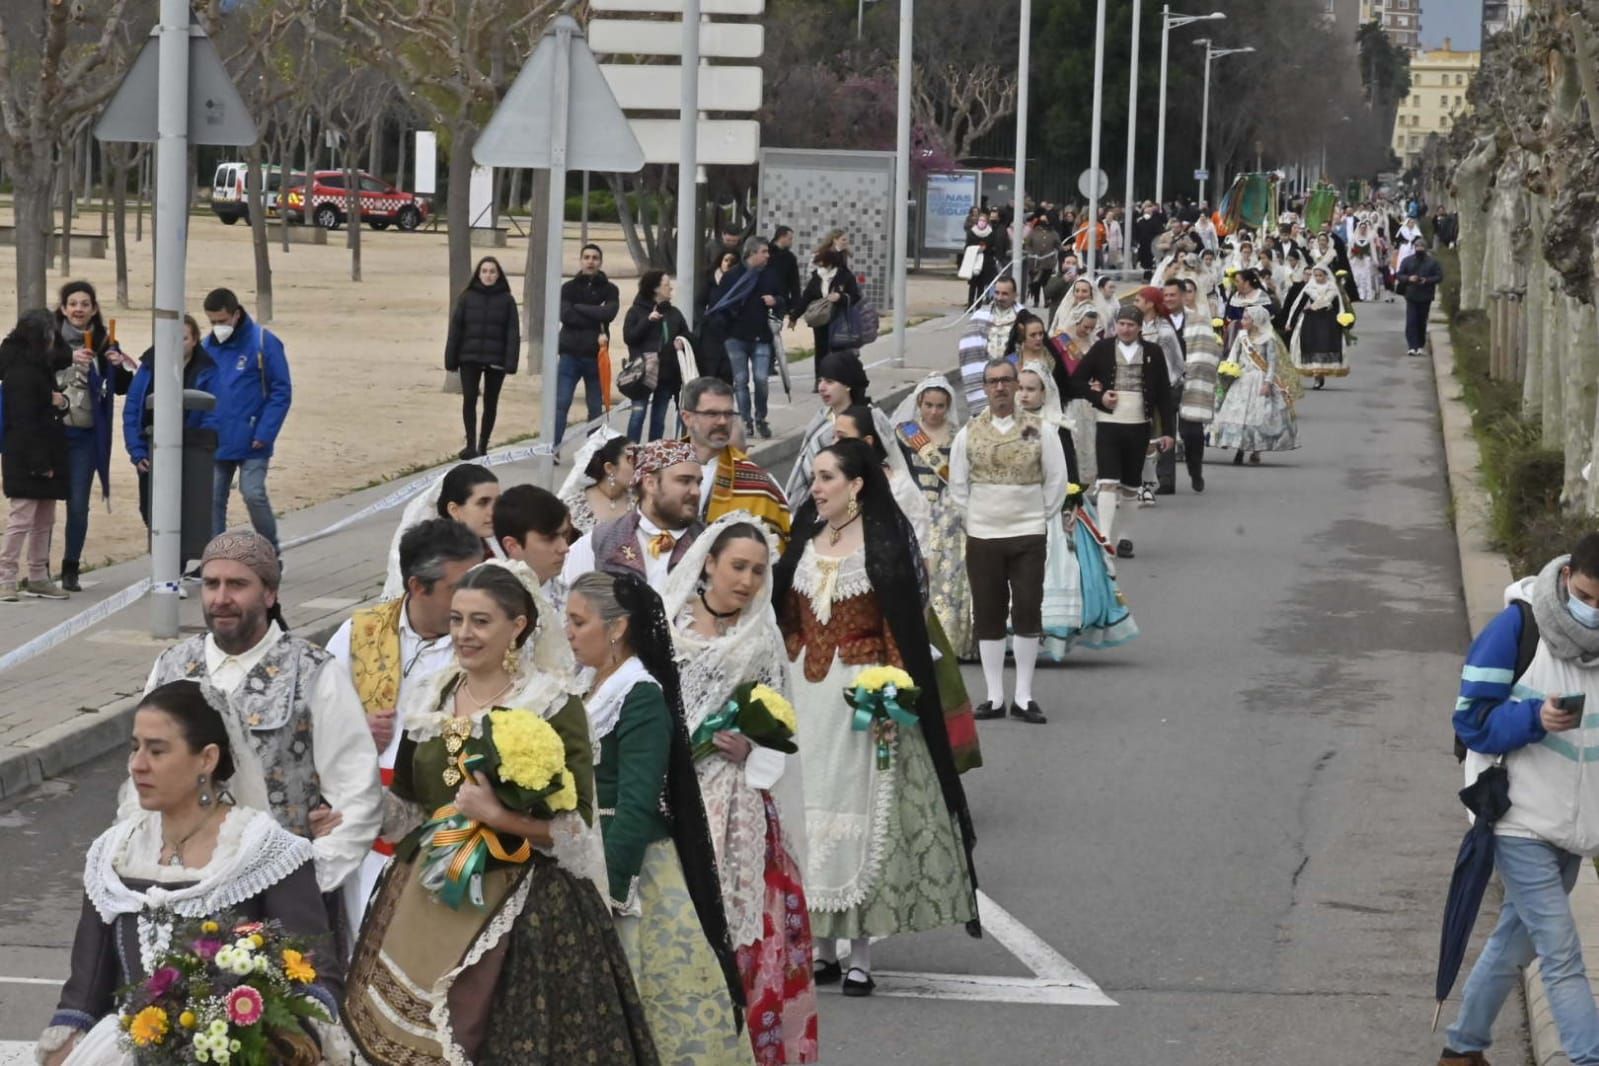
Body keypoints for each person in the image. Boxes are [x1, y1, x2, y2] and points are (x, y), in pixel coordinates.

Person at [345, 561, 656, 1065]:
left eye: (481, 621)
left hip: (524, 902)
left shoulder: (552, 704)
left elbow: (576, 828)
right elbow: (405, 807)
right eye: (457, 620)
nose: (464, 634)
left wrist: (499, 816)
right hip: (428, 892)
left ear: (518, 626)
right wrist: (351, 802)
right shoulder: (434, 694)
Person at [37, 680, 343, 1066]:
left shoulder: (266, 854)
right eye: (135, 748)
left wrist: (264, 1039)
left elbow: (313, 977)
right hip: (120, 1051)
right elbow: (86, 989)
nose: (138, 765)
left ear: (207, 759)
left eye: (157, 750)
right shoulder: (114, 854)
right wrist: (63, 1047)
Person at [774, 439, 980, 997]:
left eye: (825, 478)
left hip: (860, 697)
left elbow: (900, 626)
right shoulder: (804, 531)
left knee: (860, 814)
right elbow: (786, 614)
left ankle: (860, 953)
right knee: (806, 812)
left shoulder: (885, 541)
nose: (814, 488)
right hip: (804, 698)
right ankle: (820, 948)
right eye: (814, 478)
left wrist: (891, 694)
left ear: (856, 484)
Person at [140, 530, 382, 942]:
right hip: (180, 897)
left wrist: (306, 881)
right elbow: (142, 782)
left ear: (269, 594)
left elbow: (357, 798)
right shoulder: (172, 667)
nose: (220, 598)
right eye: (212, 584)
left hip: (280, 912)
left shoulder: (313, 671)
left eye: (237, 585)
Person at [566, 569, 749, 1063]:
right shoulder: (586, 686)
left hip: (632, 867)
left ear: (618, 628)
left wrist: (608, 889)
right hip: (582, 852)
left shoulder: (639, 695)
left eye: (579, 621)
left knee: (654, 1006)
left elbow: (637, 801)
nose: (569, 632)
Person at [664, 516, 820, 1064]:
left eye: (758, 570)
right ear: (708, 563)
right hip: (674, 799)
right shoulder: (665, 626)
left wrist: (751, 751)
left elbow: (782, 728)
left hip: (739, 807)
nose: (748, 580)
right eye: (738, 566)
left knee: (750, 943)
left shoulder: (760, 640)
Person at [1440, 535, 1599, 1066]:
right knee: (1560, 952)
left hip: (1574, 822)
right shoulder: (1518, 627)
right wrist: (1534, 720)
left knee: (1515, 942)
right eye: (1587, 595)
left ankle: (1462, 1050)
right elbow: (1470, 722)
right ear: (1567, 577)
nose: (1594, 610)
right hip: (1516, 819)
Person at [323, 518, 482, 934]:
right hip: (365, 824)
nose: (472, 600)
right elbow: (312, 725)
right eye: (457, 589)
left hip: (449, 822)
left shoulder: (485, 641)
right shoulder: (357, 634)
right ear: (417, 586)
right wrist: (354, 730)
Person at [950, 359, 1068, 724]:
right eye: (992, 382)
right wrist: (977, 519)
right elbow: (958, 485)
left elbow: (1055, 478)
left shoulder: (1036, 429)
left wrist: (1036, 515)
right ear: (984, 388)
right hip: (984, 535)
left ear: (1017, 386)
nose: (1000, 387)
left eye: (1006, 381)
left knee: (1028, 607)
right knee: (988, 611)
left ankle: (1024, 694)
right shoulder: (968, 433)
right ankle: (994, 695)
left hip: (1028, 534)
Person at [1015, 361, 1138, 660]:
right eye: (1020, 388)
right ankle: (1016, 635)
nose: (1024, 395)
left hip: (1054, 509)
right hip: (1017, 508)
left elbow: (1068, 474)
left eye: (1031, 389)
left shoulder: (1056, 425)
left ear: (1046, 392)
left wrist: (1071, 505)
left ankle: (1051, 633)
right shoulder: (1006, 423)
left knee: (1058, 570)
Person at [1071, 306, 1176, 559]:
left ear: (1140, 327)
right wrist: (1099, 397)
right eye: (1122, 324)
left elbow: (1163, 393)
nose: (1126, 329)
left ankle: (1125, 537)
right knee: (1107, 481)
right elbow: (1075, 381)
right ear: (1115, 325)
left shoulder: (1153, 352)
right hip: (1108, 424)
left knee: (1131, 485)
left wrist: (1169, 432)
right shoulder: (1102, 349)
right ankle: (1105, 537)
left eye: (1131, 325)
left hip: (1139, 426)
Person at [54, 280, 138, 591]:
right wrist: (66, 359)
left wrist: (118, 366)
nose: (78, 309)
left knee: (77, 503)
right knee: (44, 502)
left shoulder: (104, 342)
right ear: (63, 309)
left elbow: (122, 388)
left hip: (86, 435)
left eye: (84, 304)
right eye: (72, 303)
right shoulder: (48, 339)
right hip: (51, 433)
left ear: (94, 309)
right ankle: (37, 570)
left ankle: (70, 567)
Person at [202, 288, 290, 555]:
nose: (218, 327)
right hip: (217, 438)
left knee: (252, 493)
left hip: (254, 437)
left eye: (222, 320)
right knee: (213, 497)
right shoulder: (206, 347)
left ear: (236, 314)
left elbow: (281, 390)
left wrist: (265, 432)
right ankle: (215, 554)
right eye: (213, 322)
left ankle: (270, 551)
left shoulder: (263, 342)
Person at [894, 377, 975, 660]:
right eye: (928, 405)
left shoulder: (959, 436)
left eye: (940, 406)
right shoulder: (905, 435)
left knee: (950, 576)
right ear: (919, 404)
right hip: (913, 510)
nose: (934, 412)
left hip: (948, 515)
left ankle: (951, 641)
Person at [564, 439, 705, 592]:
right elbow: (568, 603)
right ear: (650, 484)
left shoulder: (711, 544)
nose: (696, 492)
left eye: (698, 483)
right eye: (684, 481)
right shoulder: (598, 542)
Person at [0, 310, 72, 601]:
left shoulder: (41, 367)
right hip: (28, 456)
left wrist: (61, 401)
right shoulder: (21, 373)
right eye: (51, 334)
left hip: (47, 451)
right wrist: (40, 464)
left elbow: (53, 403)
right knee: (21, 518)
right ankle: (6, 577)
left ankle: (39, 575)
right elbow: (25, 422)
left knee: (45, 519)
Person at [124, 314, 216, 531]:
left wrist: (201, 447)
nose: (176, 344)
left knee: (186, 510)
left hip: (192, 450)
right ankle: (164, 558)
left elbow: (213, 412)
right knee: (150, 509)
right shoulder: (148, 367)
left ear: (195, 340)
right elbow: (132, 410)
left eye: (183, 338)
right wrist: (137, 452)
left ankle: (179, 561)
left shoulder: (208, 370)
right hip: (151, 448)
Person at [681, 376, 790, 546]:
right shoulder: (660, 470)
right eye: (712, 413)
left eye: (728, 413)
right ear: (687, 417)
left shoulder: (757, 485)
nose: (722, 421)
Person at [379, 462, 504, 600]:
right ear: (454, 510)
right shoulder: (434, 561)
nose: (493, 512)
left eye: (497, 502)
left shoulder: (491, 547)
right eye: (482, 503)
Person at [706, 236, 787, 441]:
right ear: (752, 253)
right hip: (735, 337)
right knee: (740, 381)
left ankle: (761, 417)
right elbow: (719, 303)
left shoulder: (771, 275)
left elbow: (783, 299)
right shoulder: (733, 276)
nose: (768, 255)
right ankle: (746, 421)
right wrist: (724, 330)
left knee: (761, 379)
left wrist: (774, 300)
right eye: (764, 252)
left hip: (761, 337)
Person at [445, 255, 519, 460]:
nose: (488, 275)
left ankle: (483, 445)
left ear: (498, 275)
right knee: (469, 399)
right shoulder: (467, 298)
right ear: (478, 274)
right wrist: (450, 359)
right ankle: (470, 444)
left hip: (496, 359)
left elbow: (513, 333)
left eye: (492, 271)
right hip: (469, 358)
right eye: (484, 271)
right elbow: (456, 330)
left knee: (490, 402)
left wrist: (510, 362)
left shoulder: (507, 300)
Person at [1211, 304, 1299, 464]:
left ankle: (1256, 449)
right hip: (1241, 378)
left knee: (1258, 416)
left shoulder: (1268, 339)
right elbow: (1233, 355)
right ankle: (1239, 447)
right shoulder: (1241, 336)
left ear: (1256, 320)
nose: (1243, 321)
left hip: (1259, 379)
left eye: (1246, 318)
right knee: (1238, 414)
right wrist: (1227, 369)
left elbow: (1272, 364)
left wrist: (1267, 383)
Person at [555, 243, 621, 451]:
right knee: (561, 403)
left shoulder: (610, 289)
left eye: (594, 258)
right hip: (570, 355)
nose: (590, 261)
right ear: (581, 260)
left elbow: (609, 313)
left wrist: (579, 308)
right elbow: (566, 315)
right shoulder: (568, 288)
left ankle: (591, 450)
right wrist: (595, 312)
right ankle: (554, 447)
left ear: (600, 262)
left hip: (596, 355)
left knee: (595, 406)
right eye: (587, 257)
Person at [783, 351, 867, 510]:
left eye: (829, 381)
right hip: (805, 501)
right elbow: (803, 462)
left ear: (847, 384)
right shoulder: (821, 417)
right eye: (820, 380)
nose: (821, 387)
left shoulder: (863, 420)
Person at [621, 270, 692, 443]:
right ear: (655, 289)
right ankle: (632, 452)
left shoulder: (674, 313)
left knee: (659, 419)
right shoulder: (636, 311)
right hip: (643, 374)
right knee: (638, 415)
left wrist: (682, 341)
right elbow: (629, 337)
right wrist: (648, 320)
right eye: (667, 285)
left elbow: (686, 334)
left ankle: (653, 453)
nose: (671, 289)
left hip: (667, 374)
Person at [1136, 286, 1188, 497]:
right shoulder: (1135, 326)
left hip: (1162, 389)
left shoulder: (1164, 331)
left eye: (1139, 300)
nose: (1136, 304)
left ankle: (1166, 478)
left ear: (1150, 304)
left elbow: (1176, 363)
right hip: (1138, 388)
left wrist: (1166, 387)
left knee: (1164, 433)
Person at [492, 483, 573, 610]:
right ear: (512, 546)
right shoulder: (491, 606)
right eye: (550, 538)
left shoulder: (577, 600)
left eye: (564, 535)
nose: (564, 548)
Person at [1173, 281, 1221, 492]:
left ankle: (1195, 469)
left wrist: (1190, 368)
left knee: (1191, 432)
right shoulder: (1163, 320)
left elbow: (1208, 349)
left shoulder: (1200, 319)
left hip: (1193, 380)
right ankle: (1165, 480)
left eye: (1188, 292)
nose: (1184, 296)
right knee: (1163, 430)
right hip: (1167, 382)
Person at [1285, 264, 1353, 388]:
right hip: (1312, 321)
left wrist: (1342, 320)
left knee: (1324, 346)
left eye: (1320, 275)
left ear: (1326, 275)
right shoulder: (1309, 288)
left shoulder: (1332, 288)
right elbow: (1299, 305)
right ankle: (1317, 376)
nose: (1318, 278)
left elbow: (1339, 306)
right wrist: (1291, 322)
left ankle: (1321, 373)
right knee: (1312, 346)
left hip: (1328, 321)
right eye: (1315, 275)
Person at [798, 235, 863, 362]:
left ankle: (838, 376)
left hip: (839, 318)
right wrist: (795, 316)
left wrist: (841, 297)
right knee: (821, 350)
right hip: (821, 320)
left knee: (838, 350)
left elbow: (855, 296)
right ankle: (820, 378)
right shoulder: (816, 278)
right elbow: (807, 297)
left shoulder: (845, 276)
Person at [558, 431, 636, 535]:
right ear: (610, 468)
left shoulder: (642, 501)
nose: (640, 465)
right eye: (631, 460)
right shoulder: (576, 506)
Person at [1398, 237, 1443, 357]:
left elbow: (1439, 276)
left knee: (1421, 321)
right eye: (1417, 247)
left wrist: (1426, 280)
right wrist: (1408, 278)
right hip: (1411, 294)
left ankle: (1420, 344)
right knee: (1411, 320)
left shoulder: (1432, 262)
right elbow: (1400, 274)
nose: (1419, 249)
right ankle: (1412, 346)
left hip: (1425, 295)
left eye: (1421, 247)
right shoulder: (1407, 261)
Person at [963, 211, 1002, 309]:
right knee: (973, 285)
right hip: (974, 260)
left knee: (981, 285)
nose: (982, 222)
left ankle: (978, 305)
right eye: (980, 220)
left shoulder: (990, 232)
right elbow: (967, 246)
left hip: (986, 262)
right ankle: (970, 305)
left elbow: (994, 246)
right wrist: (976, 248)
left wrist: (986, 248)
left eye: (984, 220)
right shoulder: (972, 232)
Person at [984, 276, 1023, 359]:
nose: (999, 298)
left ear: (1015, 295)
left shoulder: (1023, 317)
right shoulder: (982, 315)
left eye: (1005, 294)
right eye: (997, 293)